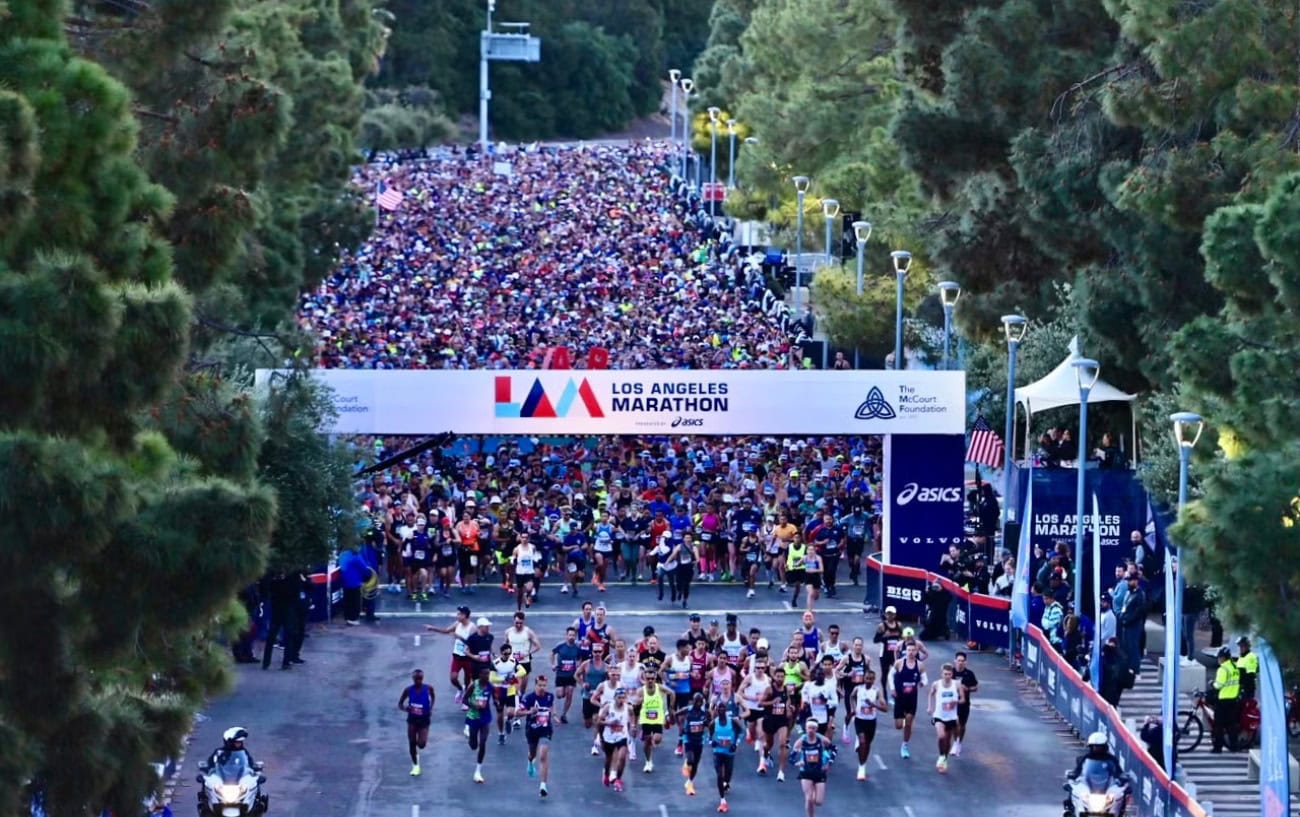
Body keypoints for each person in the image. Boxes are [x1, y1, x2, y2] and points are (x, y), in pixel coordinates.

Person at [1065, 732, 1128, 812]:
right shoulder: (1085, 758)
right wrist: (1072, 775)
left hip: (1106, 788)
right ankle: (1070, 811)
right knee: (1073, 790)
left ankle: (1120, 813)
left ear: (1104, 747)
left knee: (1121, 795)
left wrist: (1122, 778)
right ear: (1091, 747)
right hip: (1089, 787)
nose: (1097, 749)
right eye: (1094, 746)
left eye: (1099, 747)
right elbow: (1078, 771)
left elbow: (1118, 772)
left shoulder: (1111, 759)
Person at [425, 605, 475, 698]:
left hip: (467, 657)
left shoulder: (472, 628)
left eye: (459, 614)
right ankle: (460, 689)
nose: (457, 616)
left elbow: (472, 644)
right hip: (457, 655)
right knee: (453, 678)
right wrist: (433, 628)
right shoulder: (457, 624)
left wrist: (459, 637)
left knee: (467, 678)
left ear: (464, 615)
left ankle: (465, 697)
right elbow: (446, 630)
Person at [519, 674, 555, 796]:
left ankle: (543, 786)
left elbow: (551, 706)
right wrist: (530, 711)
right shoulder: (528, 698)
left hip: (545, 729)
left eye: (544, 685)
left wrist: (554, 716)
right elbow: (517, 712)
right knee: (532, 754)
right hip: (532, 730)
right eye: (540, 685)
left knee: (543, 755)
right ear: (535, 685)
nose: (542, 688)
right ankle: (530, 762)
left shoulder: (550, 696)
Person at [927, 662, 964, 773]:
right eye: (945, 674)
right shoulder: (936, 684)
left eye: (949, 674)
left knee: (947, 741)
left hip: (951, 717)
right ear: (941, 674)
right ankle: (941, 756)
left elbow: (963, 699)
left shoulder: (957, 684)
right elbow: (930, 694)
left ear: (952, 674)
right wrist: (930, 707)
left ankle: (944, 759)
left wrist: (955, 701)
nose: (947, 676)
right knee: (941, 736)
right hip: (939, 715)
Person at [849, 670, 886, 780]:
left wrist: (873, 705)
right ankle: (861, 768)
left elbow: (885, 708)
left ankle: (864, 763)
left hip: (871, 721)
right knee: (863, 742)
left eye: (871, 679)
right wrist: (854, 708)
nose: (868, 681)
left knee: (867, 744)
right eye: (867, 678)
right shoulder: (858, 689)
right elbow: (851, 696)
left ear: (874, 680)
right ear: (863, 679)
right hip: (860, 720)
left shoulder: (877, 691)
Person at [892, 641, 927, 758]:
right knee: (898, 725)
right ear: (905, 651)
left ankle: (905, 745)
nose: (911, 652)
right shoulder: (899, 663)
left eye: (913, 650)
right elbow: (889, 676)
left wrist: (922, 683)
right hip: (900, 697)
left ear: (916, 651)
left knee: (908, 722)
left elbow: (925, 678)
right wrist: (892, 689)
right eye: (909, 650)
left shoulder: (920, 665)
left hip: (912, 698)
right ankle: (904, 723)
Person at [794, 717, 833, 817]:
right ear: (806, 728)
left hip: (819, 771)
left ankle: (814, 791)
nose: (810, 730)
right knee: (809, 798)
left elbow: (834, 750)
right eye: (809, 728)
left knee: (818, 802)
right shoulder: (802, 740)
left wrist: (828, 762)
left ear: (816, 729)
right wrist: (798, 762)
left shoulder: (822, 740)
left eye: (813, 728)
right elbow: (791, 756)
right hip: (806, 771)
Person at [398, 669, 434, 776]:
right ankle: (415, 766)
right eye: (416, 679)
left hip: (424, 720)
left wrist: (430, 708)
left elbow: (433, 697)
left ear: (422, 678)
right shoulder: (408, 690)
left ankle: (417, 755)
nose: (418, 681)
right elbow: (400, 704)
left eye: (420, 678)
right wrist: (405, 709)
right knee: (412, 742)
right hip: (412, 720)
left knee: (421, 744)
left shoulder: (428, 688)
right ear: (413, 679)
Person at [597, 687, 633, 791]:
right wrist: (609, 723)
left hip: (622, 736)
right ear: (615, 698)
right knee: (609, 758)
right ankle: (606, 774)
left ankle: (618, 779)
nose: (621, 700)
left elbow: (632, 717)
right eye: (619, 698)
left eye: (623, 698)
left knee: (622, 758)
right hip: (609, 736)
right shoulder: (608, 707)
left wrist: (632, 726)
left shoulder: (628, 708)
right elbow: (599, 721)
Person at [464, 667, 494, 782]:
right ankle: (469, 736)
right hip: (473, 717)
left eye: (488, 674)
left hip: (485, 718)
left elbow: (495, 699)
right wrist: (474, 705)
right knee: (473, 746)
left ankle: (478, 771)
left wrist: (498, 704)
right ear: (480, 675)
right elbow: (464, 700)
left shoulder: (490, 687)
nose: (487, 676)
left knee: (483, 742)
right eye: (485, 674)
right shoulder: (473, 686)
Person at [1211, 646, 1242, 753]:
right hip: (1233, 700)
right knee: (1231, 725)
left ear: (1224, 658)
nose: (1218, 659)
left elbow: (1218, 685)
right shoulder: (1235, 667)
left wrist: (1212, 684)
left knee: (1218, 725)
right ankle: (1234, 746)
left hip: (1223, 700)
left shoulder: (1223, 669)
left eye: (1220, 657)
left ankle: (1217, 747)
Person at [710, 701, 738, 813]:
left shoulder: (732, 721)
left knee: (728, 774)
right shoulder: (713, 723)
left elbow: (740, 732)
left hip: (729, 752)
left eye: (723, 708)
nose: (721, 710)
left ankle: (726, 782)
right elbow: (709, 735)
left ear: (725, 710)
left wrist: (735, 743)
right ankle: (722, 801)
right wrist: (711, 741)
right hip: (718, 752)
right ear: (716, 710)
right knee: (719, 775)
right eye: (719, 708)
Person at [680, 692, 710, 796]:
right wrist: (682, 728)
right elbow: (676, 714)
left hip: (699, 740)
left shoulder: (705, 712)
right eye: (696, 701)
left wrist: (707, 726)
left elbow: (709, 723)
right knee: (691, 759)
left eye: (700, 702)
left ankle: (690, 782)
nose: (698, 703)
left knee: (696, 763)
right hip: (688, 739)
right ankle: (686, 763)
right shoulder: (688, 710)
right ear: (693, 701)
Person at [1117, 572, 1147, 676]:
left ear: (1135, 581)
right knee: (1126, 647)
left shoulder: (1140, 595)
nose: (1128, 582)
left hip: (1134, 626)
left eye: (1130, 580)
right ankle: (1128, 668)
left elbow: (1139, 611)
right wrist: (1122, 617)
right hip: (1125, 624)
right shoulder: (1128, 593)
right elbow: (1124, 607)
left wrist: (1128, 620)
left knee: (1133, 648)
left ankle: (1136, 670)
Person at [551, 626, 582, 723]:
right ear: (566, 636)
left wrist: (578, 664)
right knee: (560, 695)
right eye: (570, 635)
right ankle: (561, 694)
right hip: (561, 674)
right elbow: (552, 653)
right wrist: (553, 664)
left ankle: (563, 714)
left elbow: (580, 658)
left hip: (571, 675)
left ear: (575, 636)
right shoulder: (560, 646)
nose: (571, 637)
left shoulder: (577, 648)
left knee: (570, 693)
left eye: (573, 635)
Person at [951, 650, 979, 756]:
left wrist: (967, 689)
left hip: (965, 703)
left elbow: (975, 687)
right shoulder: (951, 672)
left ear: (965, 662)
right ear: (955, 661)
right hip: (953, 703)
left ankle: (959, 742)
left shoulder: (969, 674)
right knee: (955, 724)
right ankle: (955, 743)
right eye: (958, 660)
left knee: (962, 725)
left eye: (962, 661)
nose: (960, 663)